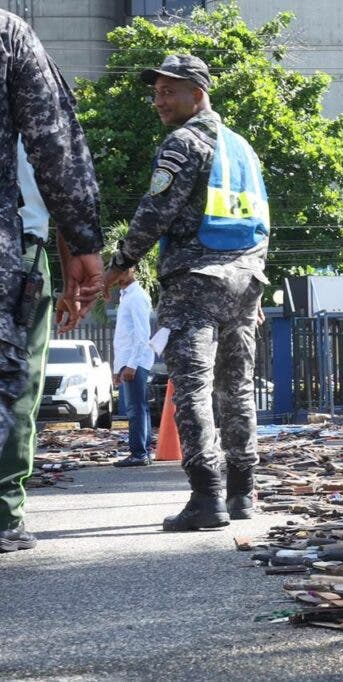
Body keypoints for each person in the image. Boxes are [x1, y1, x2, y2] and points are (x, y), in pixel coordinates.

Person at [103, 55, 269, 532]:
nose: (158, 100)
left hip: (195, 280)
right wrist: (253, 277)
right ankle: (242, 494)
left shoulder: (184, 143)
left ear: (197, 93)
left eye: (168, 91)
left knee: (192, 388)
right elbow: (262, 220)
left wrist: (120, 264)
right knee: (236, 387)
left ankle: (206, 496)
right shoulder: (242, 149)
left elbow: (154, 212)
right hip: (245, 281)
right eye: (155, 92)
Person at [0, 11, 105, 553]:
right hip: (13, 254)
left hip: (27, 246)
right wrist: (84, 249)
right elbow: (56, 158)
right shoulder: (12, 40)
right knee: (12, 382)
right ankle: (3, 512)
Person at [111, 268, 155, 467]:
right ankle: (142, 451)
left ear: (134, 270)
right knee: (139, 408)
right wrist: (116, 367)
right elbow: (123, 337)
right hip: (127, 361)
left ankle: (139, 453)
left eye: (124, 268)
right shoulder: (125, 297)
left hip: (134, 362)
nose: (119, 273)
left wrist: (132, 364)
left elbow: (142, 334)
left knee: (135, 409)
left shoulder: (137, 296)